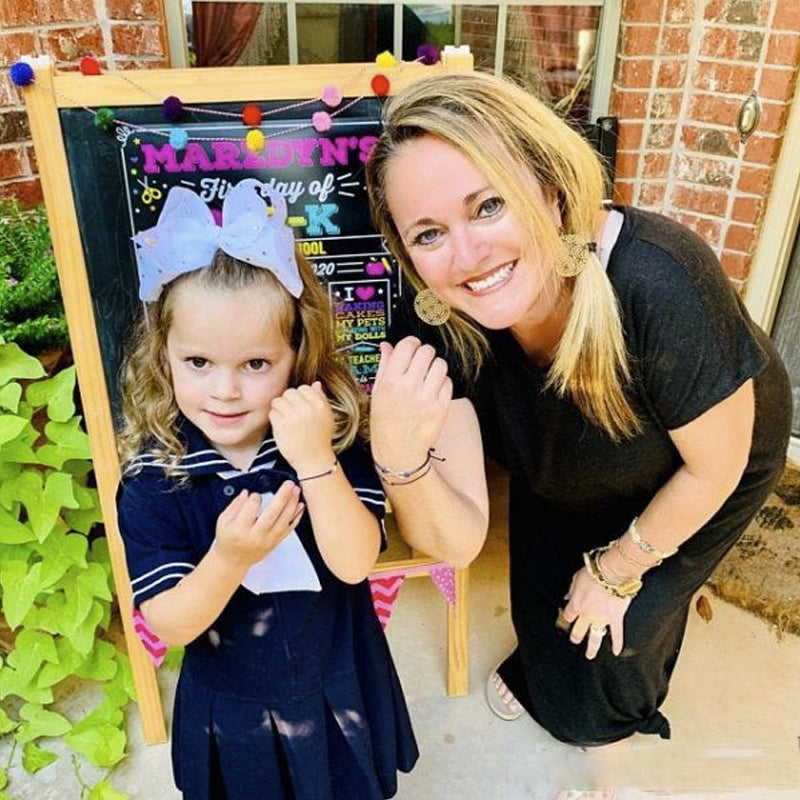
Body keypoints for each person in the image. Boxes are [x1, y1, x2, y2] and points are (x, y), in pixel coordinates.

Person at [364, 72, 792, 747]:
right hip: (565, 460)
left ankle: (662, 600)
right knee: (552, 619)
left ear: (550, 190)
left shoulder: (659, 279)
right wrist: (396, 455)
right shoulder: (434, 325)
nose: (468, 257)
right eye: (428, 234)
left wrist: (617, 568)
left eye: (488, 206)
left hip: (709, 457)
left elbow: (715, 468)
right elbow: (457, 541)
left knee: (611, 664)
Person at [116, 180, 418, 798]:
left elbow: (356, 562)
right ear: (164, 356)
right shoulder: (155, 477)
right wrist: (229, 559)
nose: (225, 391)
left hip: (337, 677)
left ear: (296, 354)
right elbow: (169, 623)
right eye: (198, 363)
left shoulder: (328, 438)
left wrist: (313, 463)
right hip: (233, 704)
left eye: (255, 364)